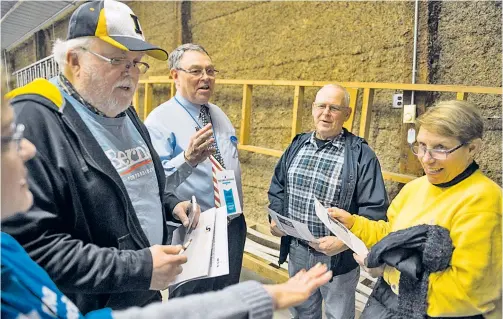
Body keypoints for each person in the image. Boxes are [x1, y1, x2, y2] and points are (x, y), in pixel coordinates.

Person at [0, 69, 334, 319]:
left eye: (136, 63)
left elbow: (144, 186)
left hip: (217, 225)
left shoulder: (10, 257)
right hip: (144, 265)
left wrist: (170, 205)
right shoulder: (158, 118)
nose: (27, 149)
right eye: (7, 137)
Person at [1, 0, 200, 313]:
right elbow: (34, 248)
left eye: (137, 63)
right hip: (94, 306)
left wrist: (170, 203)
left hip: (142, 292)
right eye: (117, 59)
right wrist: (139, 267)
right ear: (74, 60)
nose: (131, 74)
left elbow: (139, 182)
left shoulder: (122, 108)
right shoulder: (35, 121)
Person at [330, 100, 502, 319]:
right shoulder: (416, 188)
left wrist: (388, 272)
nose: (426, 159)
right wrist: (355, 224)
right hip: (391, 304)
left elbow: (468, 293)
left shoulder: (484, 201)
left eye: (440, 148)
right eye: (421, 146)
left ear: (473, 148)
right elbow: (391, 234)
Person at [268, 84, 389, 319]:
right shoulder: (297, 145)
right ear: (313, 109)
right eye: (321, 106)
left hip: (337, 258)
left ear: (347, 113)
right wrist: (275, 218)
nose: (326, 113)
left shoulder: (361, 155)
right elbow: (278, 188)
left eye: (334, 108)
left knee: (337, 314)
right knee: (302, 311)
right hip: (297, 250)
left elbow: (374, 211)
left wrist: (345, 242)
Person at [145, 43, 247, 297]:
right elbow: (153, 184)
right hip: (194, 228)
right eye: (196, 71)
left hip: (232, 222)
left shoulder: (218, 114)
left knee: (226, 299)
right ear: (175, 76)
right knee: (191, 303)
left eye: (211, 71)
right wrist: (187, 158)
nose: (206, 78)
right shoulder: (159, 121)